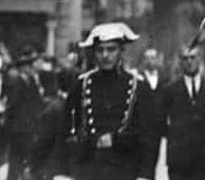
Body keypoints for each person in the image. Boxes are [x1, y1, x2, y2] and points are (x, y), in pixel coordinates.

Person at [61, 22, 158, 180]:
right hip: (89, 170)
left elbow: (149, 138)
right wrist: (62, 173)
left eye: (111, 49)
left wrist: (145, 175)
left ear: (121, 51)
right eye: (100, 50)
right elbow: (65, 131)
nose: (105, 55)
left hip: (126, 169)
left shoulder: (139, 87)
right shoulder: (81, 85)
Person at [157, 45, 205, 180]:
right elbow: (160, 122)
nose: (189, 62)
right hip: (180, 161)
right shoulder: (170, 90)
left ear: (199, 59)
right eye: (185, 58)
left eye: (193, 57)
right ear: (180, 62)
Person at [4, 49, 45, 180]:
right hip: (18, 127)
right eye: (28, 66)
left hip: (28, 125)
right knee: (16, 157)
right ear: (23, 68)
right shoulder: (17, 82)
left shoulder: (31, 81)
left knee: (26, 156)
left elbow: (36, 102)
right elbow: (12, 105)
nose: (30, 68)